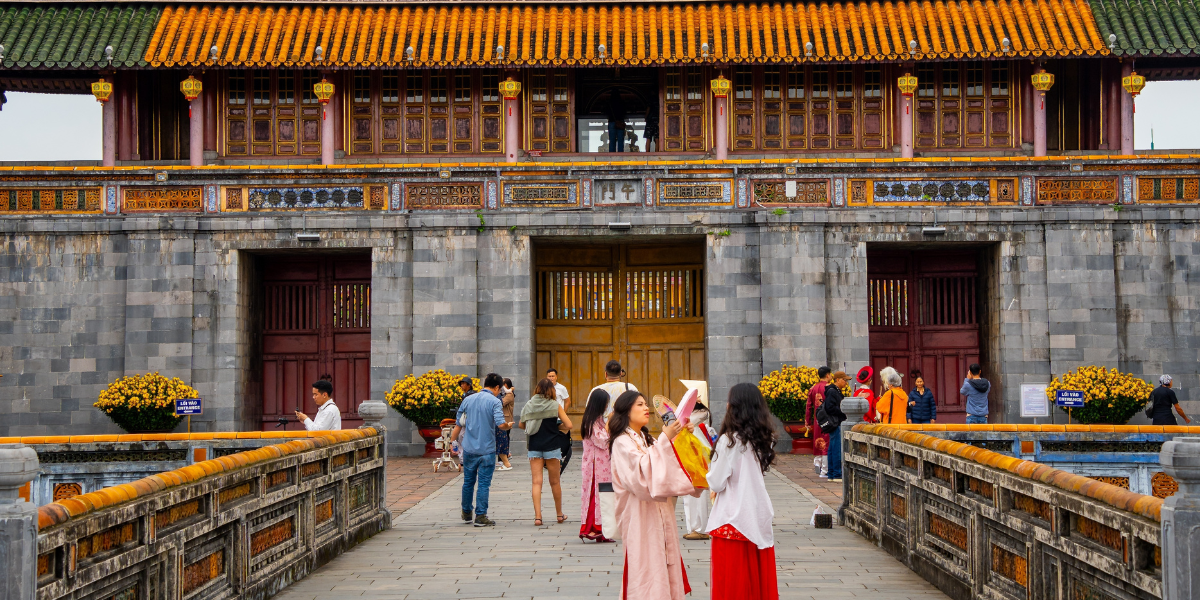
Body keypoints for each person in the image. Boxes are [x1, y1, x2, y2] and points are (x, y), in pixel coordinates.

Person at [610, 390, 699, 600]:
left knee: (663, 560)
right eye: (639, 404)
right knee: (646, 566)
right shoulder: (622, 442)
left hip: (660, 511)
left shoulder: (645, 438)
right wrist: (666, 439)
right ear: (625, 411)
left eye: (645, 404)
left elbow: (668, 462)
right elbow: (641, 476)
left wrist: (680, 435)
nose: (646, 408)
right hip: (639, 514)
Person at [705, 383, 778, 600]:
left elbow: (717, 482)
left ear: (734, 407)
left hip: (732, 518)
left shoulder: (729, 440)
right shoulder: (764, 440)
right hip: (755, 513)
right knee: (755, 579)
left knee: (733, 583)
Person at [452, 373, 512, 527]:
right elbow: (500, 424)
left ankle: (466, 513)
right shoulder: (495, 401)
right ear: (497, 387)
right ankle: (480, 515)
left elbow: (458, 424)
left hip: (469, 449)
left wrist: (452, 443)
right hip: (487, 450)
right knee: (484, 484)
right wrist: (508, 426)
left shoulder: (468, 399)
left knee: (468, 482)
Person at [519, 378, 573, 526]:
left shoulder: (529, 404)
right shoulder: (554, 405)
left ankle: (538, 517)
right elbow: (569, 424)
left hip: (535, 446)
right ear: (551, 390)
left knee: (536, 482)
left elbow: (520, 424)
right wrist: (556, 428)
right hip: (552, 446)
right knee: (555, 482)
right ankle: (559, 515)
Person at [578, 388, 614, 543]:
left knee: (604, 496)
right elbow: (602, 441)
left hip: (602, 464)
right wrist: (610, 427)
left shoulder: (598, 419)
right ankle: (594, 527)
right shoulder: (592, 422)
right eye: (605, 403)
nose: (607, 406)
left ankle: (603, 528)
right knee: (596, 495)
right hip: (595, 466)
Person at [682, 400, 714, 541]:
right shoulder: (691, 413)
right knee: (688, 491)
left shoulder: (703, 413)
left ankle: (701, 528)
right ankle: (693, 528)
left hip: (699, 454)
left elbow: (683, 421)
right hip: (689, 452)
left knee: (698, 490)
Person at [805, 367, 832, 477]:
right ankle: (825, 470)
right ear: (827, 375)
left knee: (817, 440)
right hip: (827, 419)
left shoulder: (813, 388)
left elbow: (808, 406)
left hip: (817, 420)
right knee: (826, 442)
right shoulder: (829, 388)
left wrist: (807, 421)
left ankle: (817, 462)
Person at [823, 371, 849, 482]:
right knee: (836, 448)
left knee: (833, 448)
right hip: (835, 422)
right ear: (837, 379)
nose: (846, 383)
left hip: (836, 422)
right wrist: (842, 412)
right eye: (844, 380)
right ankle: (836, 473)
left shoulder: (835, 391)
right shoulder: (833, 391)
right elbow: (829, 407)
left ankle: (832, 473)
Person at [546, 368, 573, 471]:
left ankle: (559, 457)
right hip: (547, 417)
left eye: (553, 376)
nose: (551, 378)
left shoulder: (561, 388)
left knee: (559, 438)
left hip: (558, 418)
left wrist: (563, 415)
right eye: (549, 376)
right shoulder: (544, 388)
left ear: (556, 377)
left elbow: (567, 401)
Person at [496, 378, 516, 471]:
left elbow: (501, 403)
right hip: (503, 419)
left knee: (504, 438)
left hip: (506, 419)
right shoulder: (504, 394)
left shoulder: (509, 394)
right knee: (503, 438)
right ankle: (503, 458)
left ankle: (505, 458)